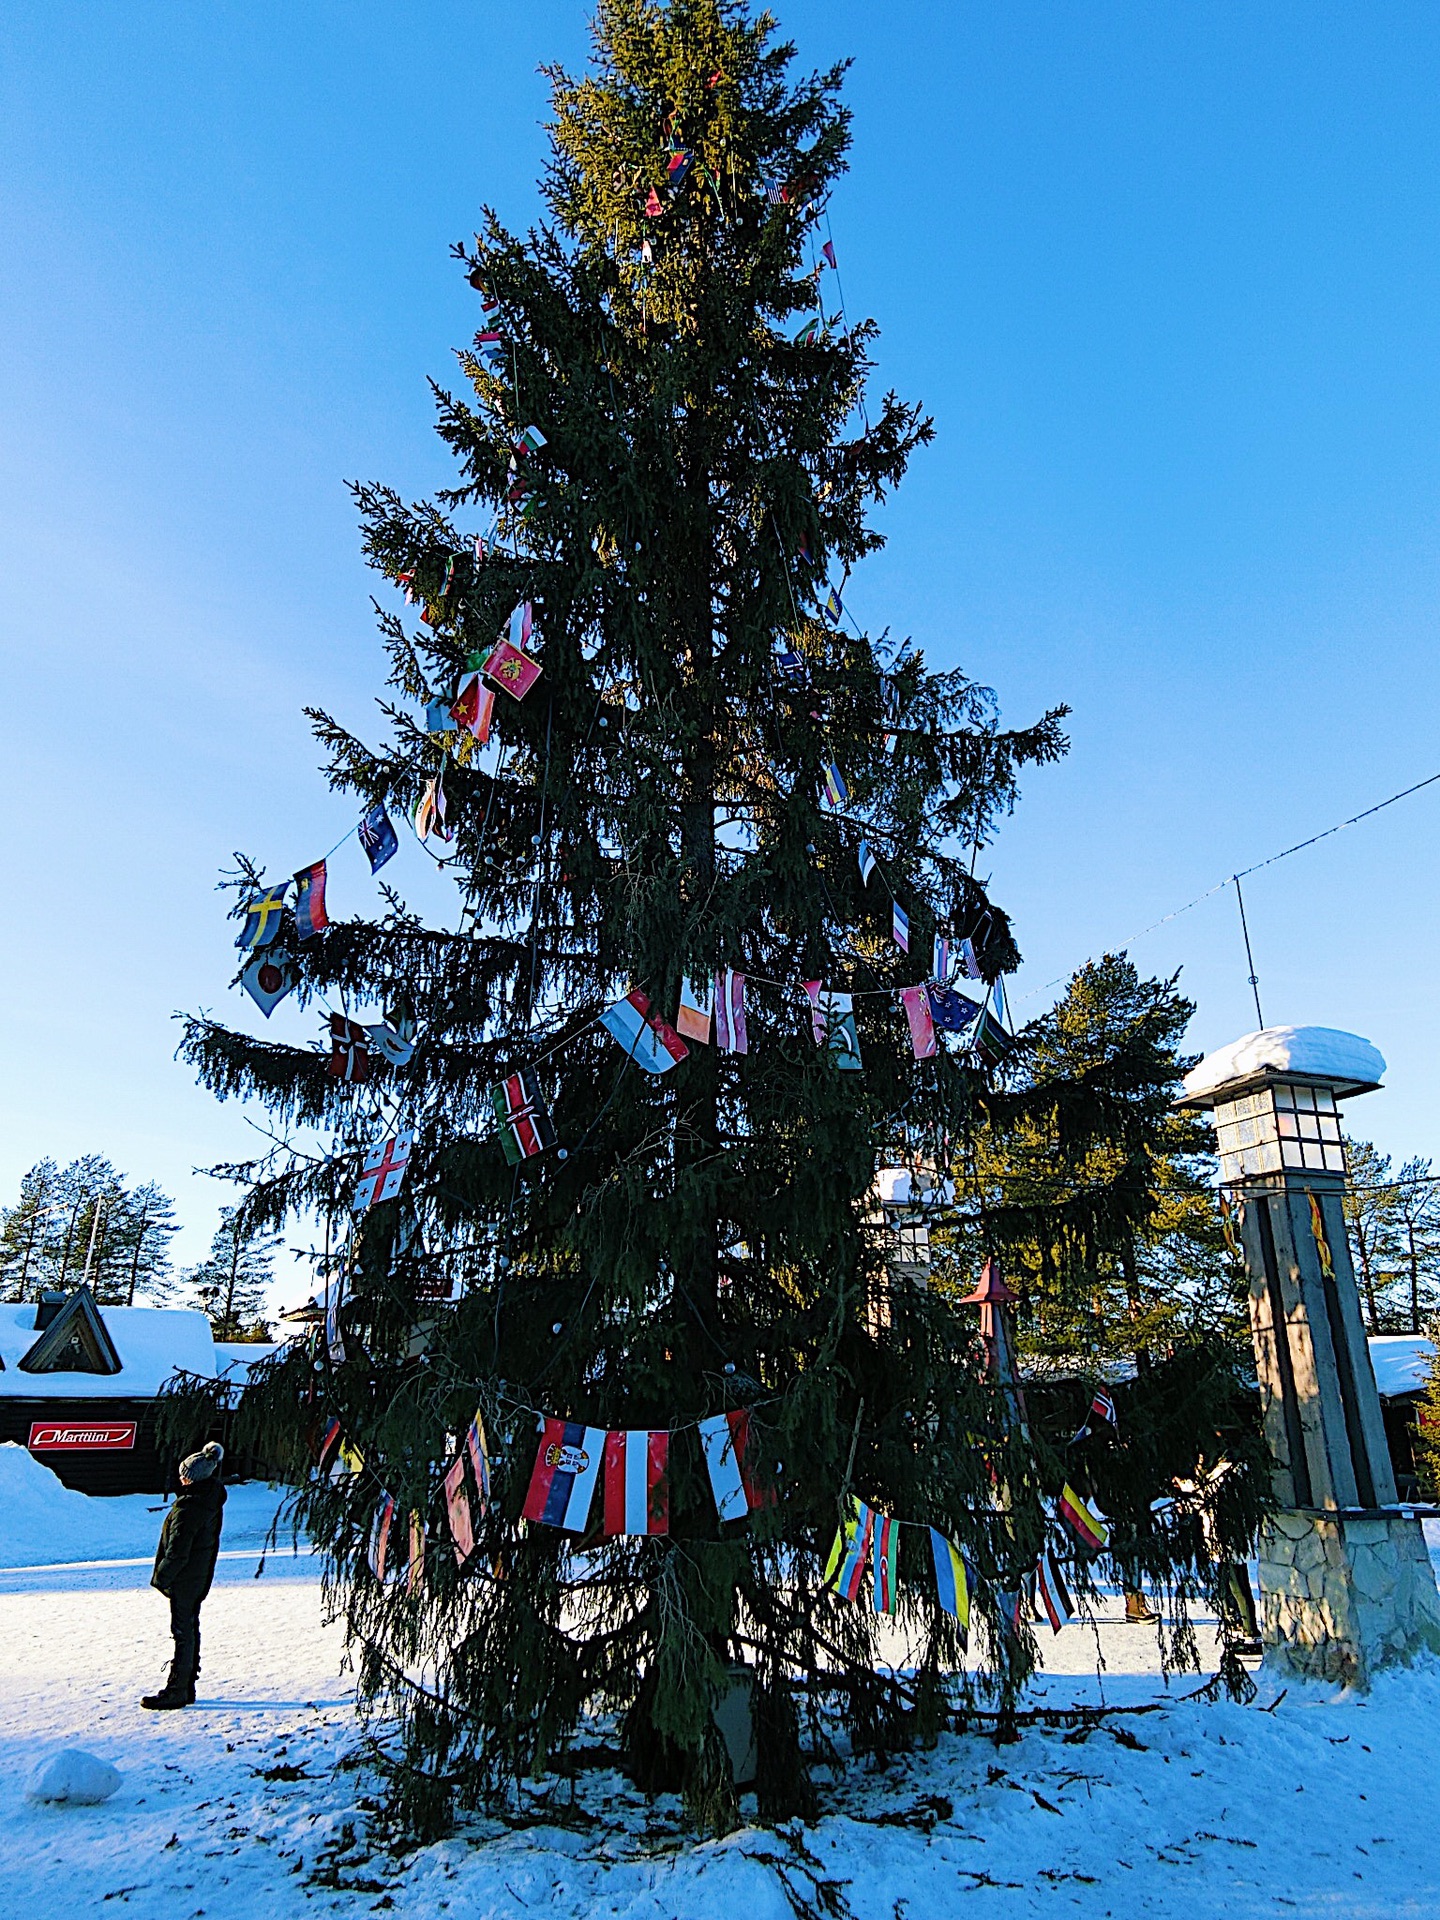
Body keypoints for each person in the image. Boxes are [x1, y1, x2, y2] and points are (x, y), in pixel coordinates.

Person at [141, 1442, 226, 1711]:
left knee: (183, 1631)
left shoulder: (190, 1508)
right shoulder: (209, 1497)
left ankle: (177, 1690)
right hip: (197, 1576)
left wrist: (162, 1578)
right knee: (188, 1628)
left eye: (184, 1474)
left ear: (192, 1478)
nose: (180, 1477)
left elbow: (178, 1550)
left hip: (186, 1578)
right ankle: (186, 1686)